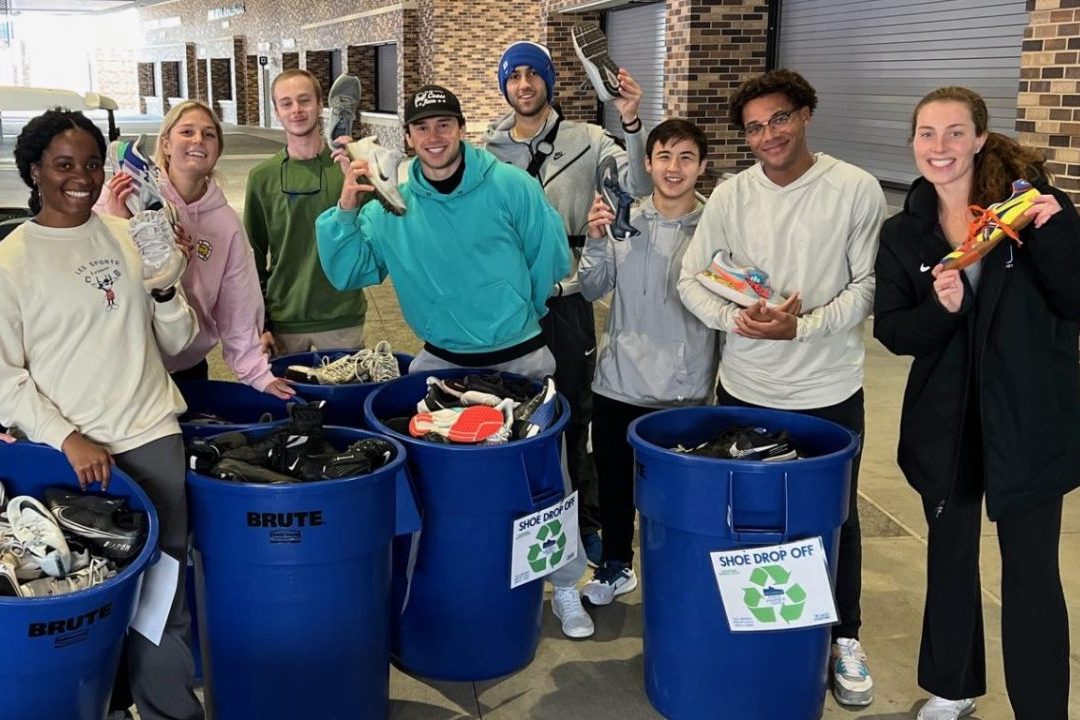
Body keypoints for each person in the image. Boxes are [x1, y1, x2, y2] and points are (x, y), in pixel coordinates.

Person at [315, 84, 598, 638]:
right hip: (438, 365)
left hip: (521, 361)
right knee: (433, 486)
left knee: (545, 481)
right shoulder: (391, 199)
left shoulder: (509, 185)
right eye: (422, 128)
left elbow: (550, 260)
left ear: (462, 128)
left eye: (445, 124)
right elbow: (350, 272)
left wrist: (510, 307)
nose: (434, 136)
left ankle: (565, 586)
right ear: (410, 137)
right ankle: (438, 581)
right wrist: (347, 204)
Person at [677, 69, 885, 707]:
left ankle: (843, 636)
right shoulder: (733, 195)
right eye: (755, 128)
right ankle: (755, 629)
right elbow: (693, 280)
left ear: (806, 114)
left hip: (828, 390)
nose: (769, 135)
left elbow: (867, 286)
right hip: (743, 386)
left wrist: (802, 328)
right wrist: (734, 320)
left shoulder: (855, 188)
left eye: (780, 119)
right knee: (747, 521)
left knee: (834, 520)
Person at [874, 86, 1080, 720]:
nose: (941, 147)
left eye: (955, 132)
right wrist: (941, 309)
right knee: (952, 556)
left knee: (1031, 573)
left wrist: (1051, 232)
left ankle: (1041, 708)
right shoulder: (904, 234)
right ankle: (955, 686)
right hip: (948, 422)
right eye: (928, 134)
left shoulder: (1031, 212)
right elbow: (894, 330)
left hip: (1026, 417)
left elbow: (1074, 301)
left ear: (981, 138)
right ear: (913, 144)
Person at [0, 109, 202, 720]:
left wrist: (167, 285)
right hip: (71, 461)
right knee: (83, 599)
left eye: (91, 163)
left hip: (150, 435)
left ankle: (169, 711)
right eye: (64, 164)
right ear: (35, 170)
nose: (81, 177)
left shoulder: (125, 237)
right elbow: (5, 377)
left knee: (163, 599)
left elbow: (178, 340)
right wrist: (66, 438)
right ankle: (102, 706)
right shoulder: (11, 262)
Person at [484, 41, 654, 565]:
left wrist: (631, 121)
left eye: (534, 75)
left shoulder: (588, 139)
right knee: (513, 413)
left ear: (550, 82)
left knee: (576, 414)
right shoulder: (488, 151)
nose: (525, 85)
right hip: (509, 305)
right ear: (505, 85)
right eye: (514, 77)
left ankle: (587, 522)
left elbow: (639, 182)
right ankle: (525, 521)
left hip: (569, 297)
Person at [578, 118, 718, 606]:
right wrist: (596, 238)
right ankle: (616, 565)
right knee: (615, 485)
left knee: (677, 496)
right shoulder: (625, 218)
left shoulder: (715, 227)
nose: (673, 168)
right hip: (618, 382)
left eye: (685, 157)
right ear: (647, 163)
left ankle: (677, 573)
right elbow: (594, 287)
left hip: (684, 390)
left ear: (701, 166)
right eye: (664, 156)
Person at [99, 100, 293, 398]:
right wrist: (121, 225)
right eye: (186, 131)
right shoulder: (122, 195)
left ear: (218, 150)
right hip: (124, 367)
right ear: (165, 144)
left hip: (186, 367)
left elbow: (238, 304)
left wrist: (258, 374)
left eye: (209, 134)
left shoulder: (226, 224)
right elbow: (89, 275)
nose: (198, 140)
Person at [244, 69, 368, 355]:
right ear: (276, 111)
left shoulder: (350, 169)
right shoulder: (262, 178)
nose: (296, 110)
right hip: (285, 319)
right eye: (286, 103)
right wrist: (260, 322)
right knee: (290, 400)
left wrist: (363, 168)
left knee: (346, 399)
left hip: (342, 316)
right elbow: (251, 255)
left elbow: (378, 233)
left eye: (304, 100)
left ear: (320, 105)